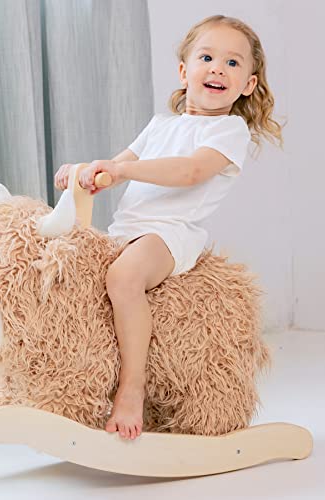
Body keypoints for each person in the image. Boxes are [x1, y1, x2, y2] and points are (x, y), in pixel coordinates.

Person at [53, 15, 283, 441]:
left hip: (171, 233)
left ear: (248, 84)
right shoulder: (161, 124)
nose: (218, 69)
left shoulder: (228, 130)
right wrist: (84, 171)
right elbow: (115, 167)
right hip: (126, 229)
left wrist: (122, 170)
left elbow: (189, 171)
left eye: (233, 63)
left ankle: (132, 388)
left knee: (124, 277)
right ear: (183, 71)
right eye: (207, 58)